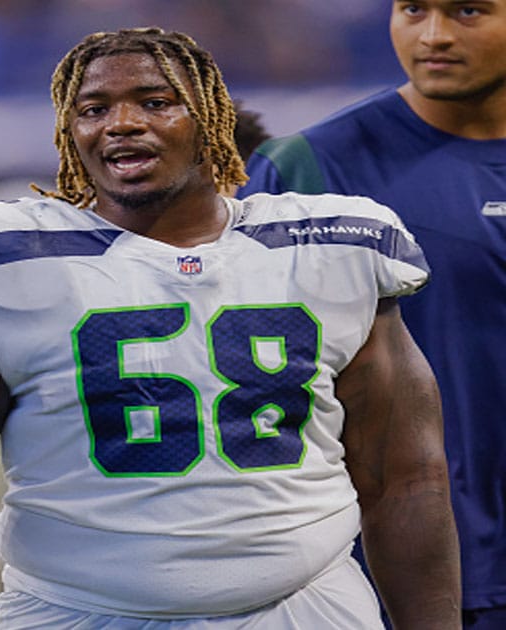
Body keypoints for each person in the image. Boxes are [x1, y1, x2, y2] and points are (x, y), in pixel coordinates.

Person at [0, 26, 462, 628]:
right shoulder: (4, 258)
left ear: (212, 119)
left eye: (155, 102)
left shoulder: (329, 248)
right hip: (80, 611)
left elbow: (406, 479)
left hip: (303, 606)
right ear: (69, 132)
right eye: (94, 108)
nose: (122, 123)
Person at [239, 2, 506, 626]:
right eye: (413, 8)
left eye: (468, 10)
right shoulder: (308, 172)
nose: (433, 35)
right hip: (406, 575)